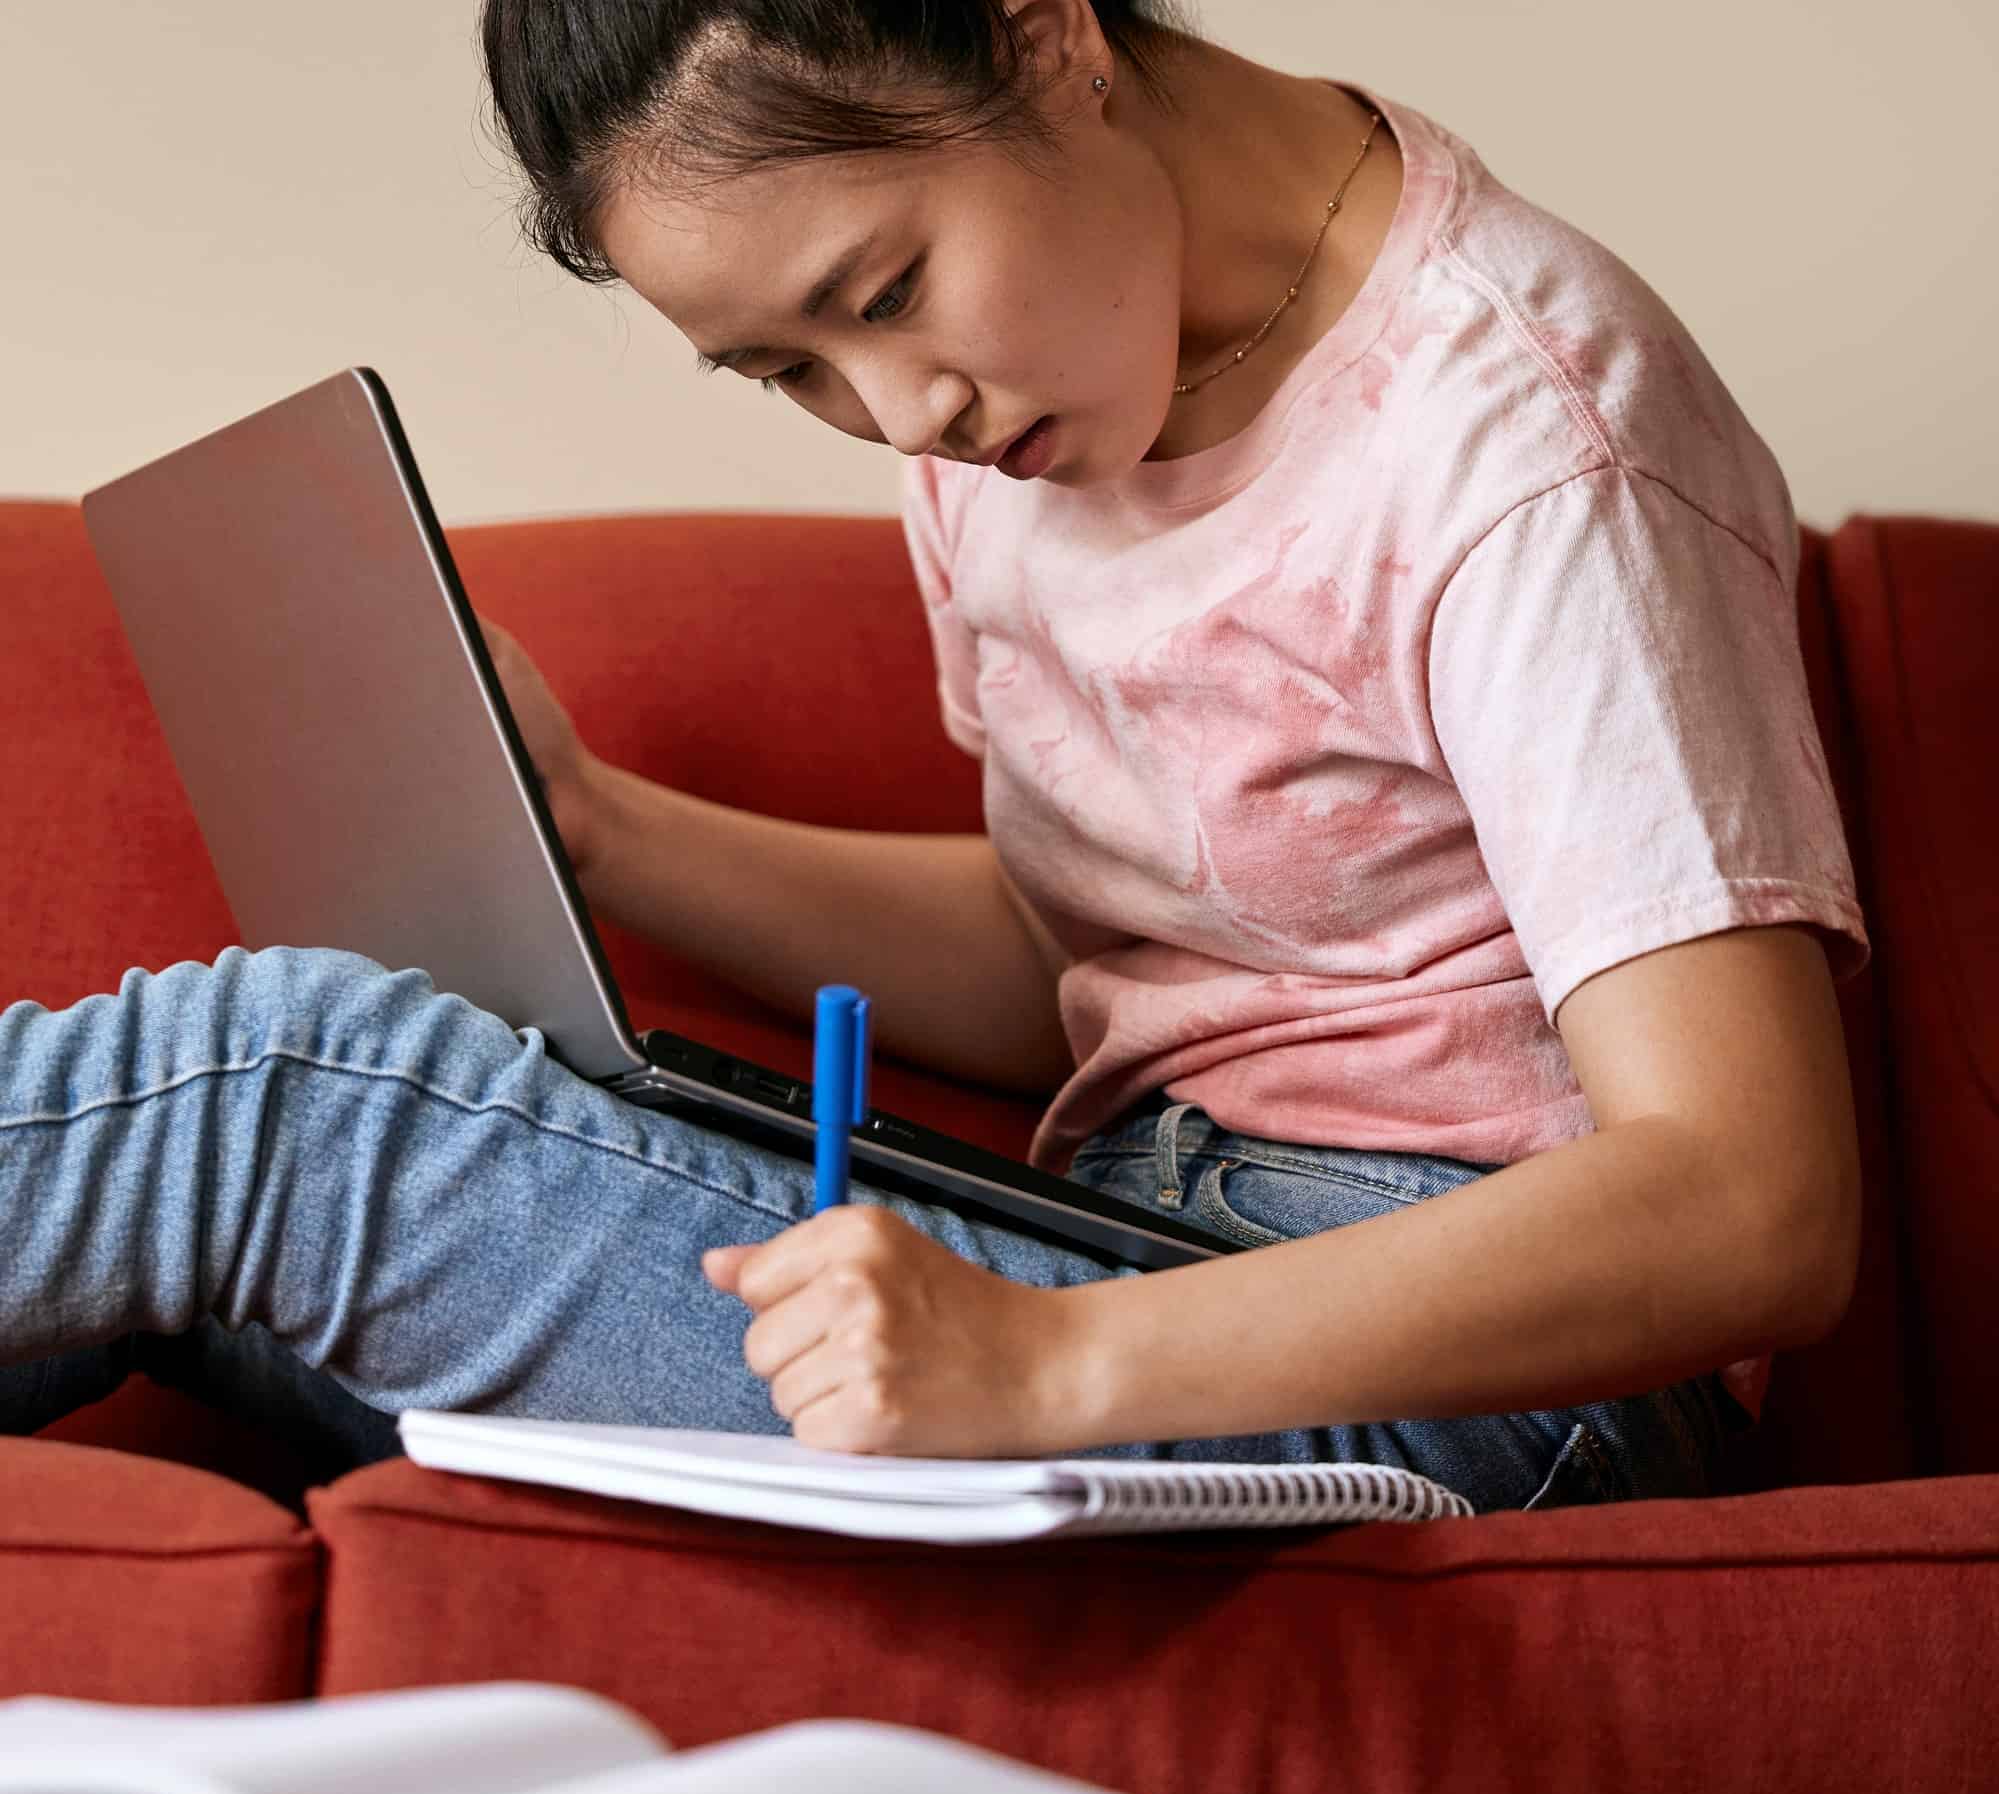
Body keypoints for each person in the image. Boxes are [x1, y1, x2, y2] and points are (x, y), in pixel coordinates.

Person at [1, 0, 1870, 1513]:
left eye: (882, 292)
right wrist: (588, 828)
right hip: (1142, 1240)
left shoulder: (1532, 434)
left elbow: (1747, 1201)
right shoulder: (1023, 425)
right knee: (205, 1243)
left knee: (268, 1096)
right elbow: (1086, 947)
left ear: (1044, 33)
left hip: (1487, 1397)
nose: (900, 414)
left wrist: (1042, 1365)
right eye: (784, 369)